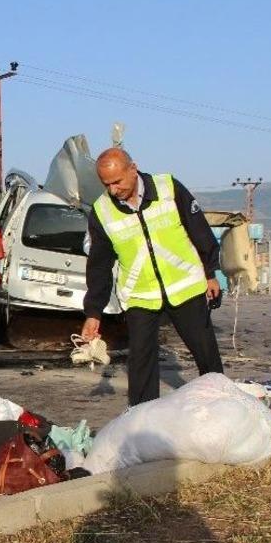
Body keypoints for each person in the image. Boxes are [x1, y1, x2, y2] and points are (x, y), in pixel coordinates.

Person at [80, 147, 224, 406]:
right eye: (107, 184)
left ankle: (221, 404)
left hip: (185, 286)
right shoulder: (102, 211)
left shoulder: (169, 188)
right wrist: (93, 312)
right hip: (140, 295)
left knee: (206, 352)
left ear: (133, 169)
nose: (113, 190)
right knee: (141, 361)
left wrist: (210, 273)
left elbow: (199, 230)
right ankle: (143, 417)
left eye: (117, 182)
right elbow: (99, 266)